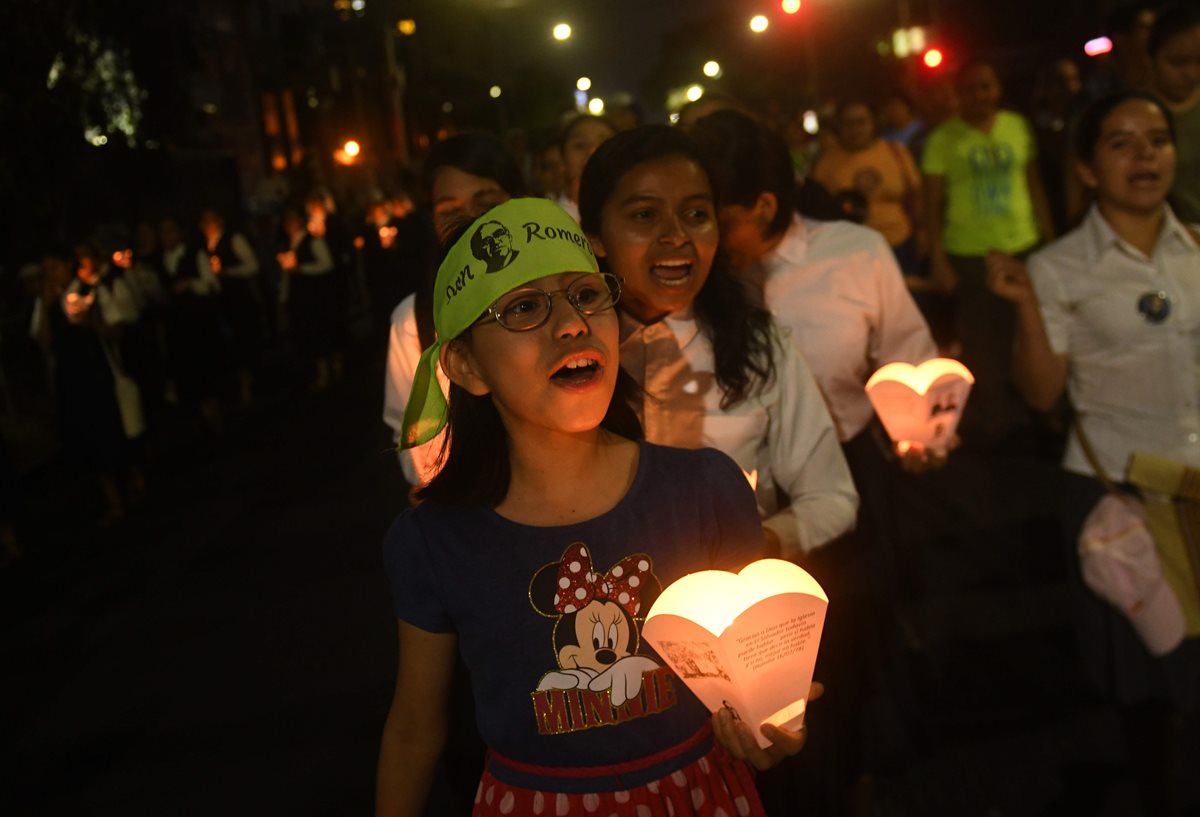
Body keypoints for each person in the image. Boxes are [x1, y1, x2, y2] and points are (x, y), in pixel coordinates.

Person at [377, 197, 817, 817]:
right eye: (526, 307)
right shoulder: (432, 541)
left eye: (586, 294)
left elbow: (756, 687)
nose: (572, 322)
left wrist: (771, 724)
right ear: (467, 364)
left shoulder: (705, 490)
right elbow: (414, 729)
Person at [691, 109, 943, 815]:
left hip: (847, 475)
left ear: (764, 207)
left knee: (847, 642)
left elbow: (910, 352)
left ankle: (856, 768)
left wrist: (921, 427)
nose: (694, 237)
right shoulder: (691, 290)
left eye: (712, 215)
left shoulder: (854, 253)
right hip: (735, 512)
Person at [986, 90, 1200, 817]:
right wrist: (1022, 308)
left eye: (1157, 139)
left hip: (1198, 490)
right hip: (1123, 500)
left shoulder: (1196, 246)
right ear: (1084, 166)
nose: (1146, 154)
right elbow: (1043, 396)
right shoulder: (1058, 268)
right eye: (1121, 142)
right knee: (1146, 685)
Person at [578, 124, 858, 562]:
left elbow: (831, 495)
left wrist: (757, 544)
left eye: (695, 214)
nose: (676, 236)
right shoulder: (570, 353)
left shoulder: (758, 345)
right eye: (644, 215)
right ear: (595, 236)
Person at [922, 60, 1056, 445]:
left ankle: (1042, 411)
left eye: (986, 87)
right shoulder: (943, 139)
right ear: (957, 94)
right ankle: (998, 419)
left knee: (1030, 331)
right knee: (982, 337)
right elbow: (932, 202)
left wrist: (1049, 237)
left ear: (998, 89)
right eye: (970, 89)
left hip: (1023, 243)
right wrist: (938, 257)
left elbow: (1033, 183)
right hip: (968, 251)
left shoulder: (1017, 126)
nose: (979, 96)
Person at [383, 133, 526, 486]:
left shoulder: (568, 295)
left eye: (487, 204)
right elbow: (410, 430)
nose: (471, 223)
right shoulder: (416, 320)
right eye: (450, 211)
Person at [811, 99, 927, 279]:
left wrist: (922, 233)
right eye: (849, 123)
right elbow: (817, 210)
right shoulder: (827, 163)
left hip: (899, 244)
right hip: (850, 252)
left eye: (861, 122)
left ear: (873, 123)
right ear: (839, 127)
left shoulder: (896, 152)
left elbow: (917, 195)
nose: (856, 129)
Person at [200, 208, 263, 406]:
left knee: (244, 340)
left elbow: (252, 265)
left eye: (210, 221)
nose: (207, 226)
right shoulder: (204, 247)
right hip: (221, 302)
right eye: (204, 222)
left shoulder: (233, 240)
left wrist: (228, 272)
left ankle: (250, 383)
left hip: (239, 299)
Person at [1147, 4, 1200, 224]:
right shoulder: (1136, 114)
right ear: (1152, 58)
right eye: (1178, 62)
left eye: (1199, 61)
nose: (1191, 73)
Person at [277, 207, 337, 391]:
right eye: (286, 221)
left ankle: (328, 368)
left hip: (314, 294)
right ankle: (315, 370)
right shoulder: (288, 243)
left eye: (292, 220)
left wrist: (302, 269)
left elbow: (326, 263)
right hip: (298, 296)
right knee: (305, 331)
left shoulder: (313, 241)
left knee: (318, 329)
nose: (288, 225)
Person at [554, 114, 616, 222]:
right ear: (562, 160)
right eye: (580, 145)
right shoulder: (549, 222)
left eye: (604, 144)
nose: (592, 151)